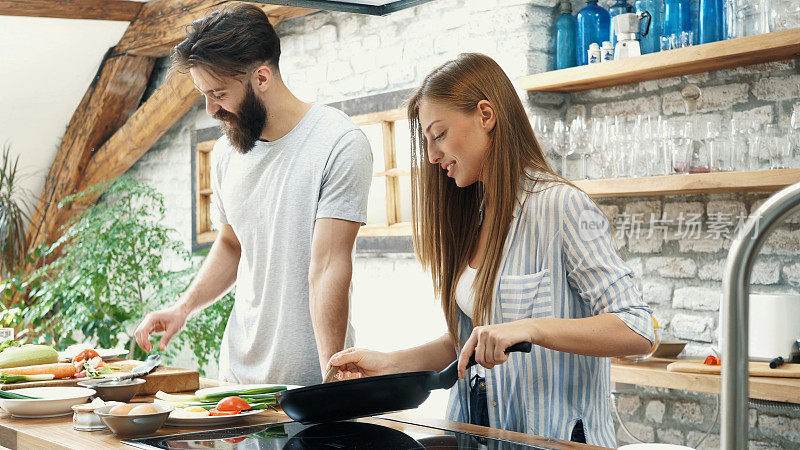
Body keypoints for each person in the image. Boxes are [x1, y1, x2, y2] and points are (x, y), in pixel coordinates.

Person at [327, 53, 654, 447]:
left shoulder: (561, 206)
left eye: (439, 135)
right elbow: (471, 338)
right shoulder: (476, 214)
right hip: (479, 435)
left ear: (486, 115)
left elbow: (638, 328)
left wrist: (531, 328)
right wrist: (390, 364)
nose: (431, 157)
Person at [133, 4, 372, 387]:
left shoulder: (338, 143)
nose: (211, 109)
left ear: (262, 77)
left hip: (310, 382)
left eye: (218, 93)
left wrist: (332, 373)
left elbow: (328, 267)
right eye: (203, 95)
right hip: (238, 381)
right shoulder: (227, 153)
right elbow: (231, 243)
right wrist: (183, 308)